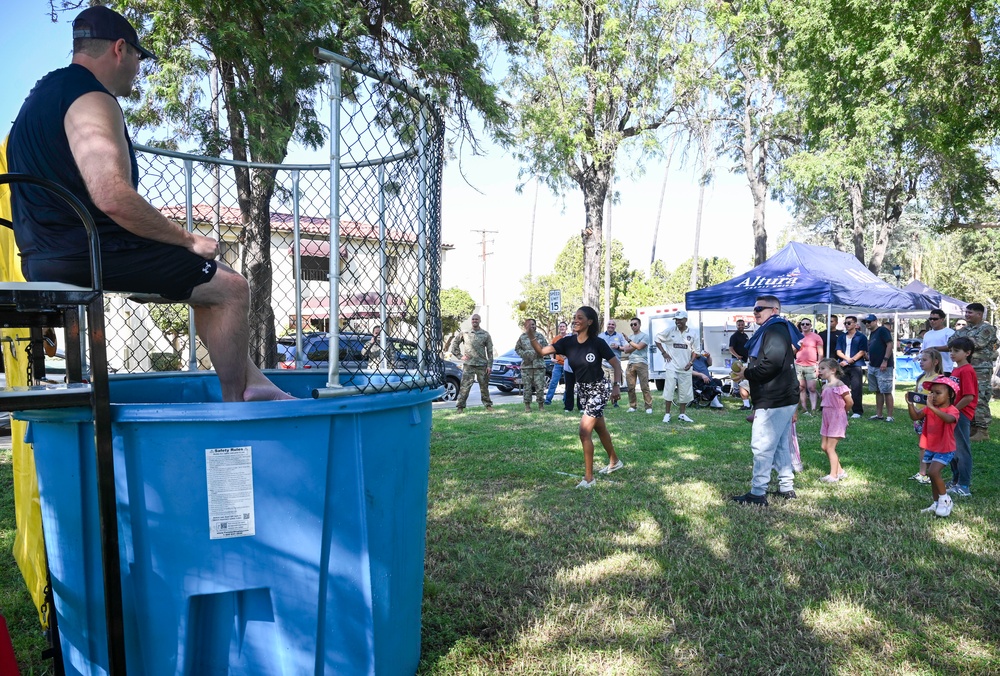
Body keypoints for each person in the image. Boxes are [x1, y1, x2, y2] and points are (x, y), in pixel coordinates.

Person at [7, 6, 291, 402]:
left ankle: (257, 384)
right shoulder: (92, 98)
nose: (139, 68)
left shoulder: (42, 96)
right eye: (139, 57)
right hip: (83, 251)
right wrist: (187, 239)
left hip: (44, 252)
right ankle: (238, 406)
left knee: (212, 276)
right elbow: (113, 197)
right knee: (232, 288)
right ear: (120, 49)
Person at [526, 307, 623, 488]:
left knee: (584, 431)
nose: (575, 320)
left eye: (580, 318)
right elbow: (541, 351)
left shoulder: (598, 343)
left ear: (590, 322)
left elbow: (616, 364)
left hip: (599, 389)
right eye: (574, 317)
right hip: (584, 391)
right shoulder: (568, 342)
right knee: (600, 428)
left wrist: (616, 386)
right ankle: (614, 461)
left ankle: (589, 479)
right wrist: (531, 334)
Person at [731, 295, 802, 506]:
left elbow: (771, 363)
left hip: (775, 397)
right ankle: (786, 486)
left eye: (760, 308)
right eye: (754, 309)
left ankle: (758, 492)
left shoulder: (774, 329)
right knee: (781, 444)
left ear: (775, 310)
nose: (755, 312)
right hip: (781, 396)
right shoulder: (775, 329)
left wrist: (746, 373)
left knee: (762, 445)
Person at [907, 376, 959, 518]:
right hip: (931, 447)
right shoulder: (930, 408)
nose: (933, 396)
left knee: (934, 472)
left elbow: (948, 420)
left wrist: (930, 407)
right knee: (932, 476)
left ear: (950, 395)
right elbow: (915, 417)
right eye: (932, 393)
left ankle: (945, 500)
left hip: (945, 448)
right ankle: (936, 503)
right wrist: (910, 404)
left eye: (938, 393)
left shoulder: (952, 410)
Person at [953, 302, 997, 441]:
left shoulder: (987, 328)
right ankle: (972, 427)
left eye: (970, 312)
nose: (967, 315)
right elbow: (951, 342)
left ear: (979, 314)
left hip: (981, 369)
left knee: (980, 397)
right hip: (965, 367)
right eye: (966, 312)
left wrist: (962, 341)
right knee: (965, 395)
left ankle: (982, 430)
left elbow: (977, 344)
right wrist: (963, 341)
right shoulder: (965, 329)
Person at [946, 336, 978, 498]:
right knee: (952, 449)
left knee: (962, 450)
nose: (952, 353)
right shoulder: (957, 369)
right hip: (954, 414)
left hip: (961, 415)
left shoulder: (966, 370)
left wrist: (953, 410)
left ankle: (964, 486)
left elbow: (969, 396)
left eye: (956, 351)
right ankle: (955, 481)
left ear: (967, 353)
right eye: (951, 350)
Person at [654, 310, 697, 423]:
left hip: (685, 367)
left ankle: (682, 414)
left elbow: (696, 350)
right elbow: (657, 339)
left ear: (685, 320)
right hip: (672, 366)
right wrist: (663, 352)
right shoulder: (670, 331)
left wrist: (691, 362)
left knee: (685, 391)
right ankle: (667, 414)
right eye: (676, 319)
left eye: (680, 319)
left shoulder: (692, 333)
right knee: (669, 390)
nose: (677, 322)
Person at [908, 349, 943, 484]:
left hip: (932, 416)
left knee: (931, 445)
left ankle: (931, 472)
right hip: (920, 416)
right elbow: (918, 396)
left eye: (924, 360)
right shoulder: (921, 377)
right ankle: (922, 472)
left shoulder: (938, 379)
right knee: (922, 445)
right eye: (920, 360)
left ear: (935, 362)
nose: (921, 362)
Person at [816, 358, 852, 483]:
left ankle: (833, 475)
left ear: (832, 370)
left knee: (830, 448)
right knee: (824, 446)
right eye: (819, 368)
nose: (819, 371)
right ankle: (840, 471)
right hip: (827, 417)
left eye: (822, 368)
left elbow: (849, 402)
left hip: (837, 417)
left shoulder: (840, 385)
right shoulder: (825, 386)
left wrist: (842, 413)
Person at [451, 313, 494, 412]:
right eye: (473, 319)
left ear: (480, 321)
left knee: (484, 387)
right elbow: (455, 344)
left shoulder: (485, 334)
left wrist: (489, 365)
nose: (475, 321)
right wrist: (460, 356)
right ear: (471, 321)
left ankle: (488, 405)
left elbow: (490, 351)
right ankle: (460, 407)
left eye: (477, 319)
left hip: (482, 365)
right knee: (465, 387)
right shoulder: (465, 333)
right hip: (469, 365)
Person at [862, 314, 895, 422]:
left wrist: (885, 361)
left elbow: (890, 344)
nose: (867, 324)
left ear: (876, 321)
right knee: (878, 391)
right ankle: (879, 414)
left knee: (886, 391)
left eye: (869, 321)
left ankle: (890, 416)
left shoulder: (882, 330)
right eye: (866, 322)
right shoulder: (872, 333)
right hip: (873, 365)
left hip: (884, 366)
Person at [836, 315, 868, 418]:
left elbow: (862, 351)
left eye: (849, 323)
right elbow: (838, 351)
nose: (846, 325)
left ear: (855, 324)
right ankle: (844, 408)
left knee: (856, 388)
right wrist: (846, 359)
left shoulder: (861, 337)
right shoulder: (841, 337)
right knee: (843, 388)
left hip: (856, 365)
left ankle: (857, 411)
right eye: (845, 323)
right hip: (843, 365)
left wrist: (851, 360)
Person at [514, 318, 548, 412]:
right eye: (529, 325)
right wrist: (525, 354)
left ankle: (541, 406)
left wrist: (541, 352)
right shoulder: (522, 337)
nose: (532, 326)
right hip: (526, 366)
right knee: (527, 388)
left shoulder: (540, 336)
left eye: (533, 324)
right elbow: (517, 349)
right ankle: (527, 406)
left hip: (539, 366)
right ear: (526, 326)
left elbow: (546, 348)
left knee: (540, 387)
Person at [622, 317, 653, 413]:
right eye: (631, 325)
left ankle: (648, 407)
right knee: (630, 387)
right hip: (631, 362)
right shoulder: (631, 337)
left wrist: (630, 342)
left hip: (641, 363)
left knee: (644, 386)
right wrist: (632, 345)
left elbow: (639, 347)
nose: (633, 326)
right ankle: (632, 406)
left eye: (635, 324)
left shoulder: (645, 336)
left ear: (639, 325)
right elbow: (626, 350)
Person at [794, 317, 823, 414]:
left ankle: (813, 409)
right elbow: (792, 352)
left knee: (812, 388)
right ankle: (804, 408)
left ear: (810, 326)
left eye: (807, 324)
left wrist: (818, 364)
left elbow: (821, 353)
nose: (805, 326)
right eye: (803, 324)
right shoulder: (797, 337)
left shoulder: (816, 337)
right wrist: (797, 345)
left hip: (812, 365)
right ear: (800, 326)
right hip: (799, 365)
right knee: (801, 388)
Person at [599, 319, 627, 407]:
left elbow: (626, 348)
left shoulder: (619, 336)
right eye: (609, 324)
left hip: (614, 365)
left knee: (614, 383)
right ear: (607, 326)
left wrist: (618, 347)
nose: (611, 326)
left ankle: (615, 402)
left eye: (613, 324)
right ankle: (603, 402)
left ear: (615, 326)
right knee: (602, 385)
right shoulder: (601, 336)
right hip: (603, 364)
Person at [921, 309, 955, 374]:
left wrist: (934, 349)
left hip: (944, 369)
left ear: (942, 319)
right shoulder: (927, 334)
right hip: (929, 369)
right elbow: (923, 349)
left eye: (935, 319)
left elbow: (952, 347)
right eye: (930, 319)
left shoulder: (949, 332)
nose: (932, 321)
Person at [543, 321, 569, 405]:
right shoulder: (556, 338)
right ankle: (548, 400)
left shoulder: (569, 338)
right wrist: (551, 358)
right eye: (560, 326)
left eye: (563, 326)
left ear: (566, 328)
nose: (562, 328)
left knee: (568, 383)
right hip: (558, 364)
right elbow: (551, 348)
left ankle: (566, 400)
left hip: (567, 364)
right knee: (553, 382)